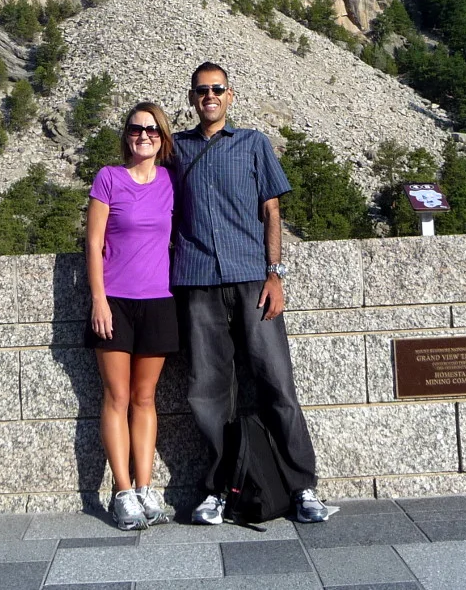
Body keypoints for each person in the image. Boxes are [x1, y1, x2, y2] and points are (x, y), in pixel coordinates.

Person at [169, 62, 337, 524]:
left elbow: (272, 209)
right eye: (202, 90)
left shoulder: (253, 143)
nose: (210, 96)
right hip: (198, 281)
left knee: (277, 383)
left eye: (217, 89)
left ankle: (302, 486)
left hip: (251, 280)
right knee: (207, 392)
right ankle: (219, 490)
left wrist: (275, 273)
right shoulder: (176, 149)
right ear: (191, 98)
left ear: (231, 96)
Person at [86, 102, 179, 530]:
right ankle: (122, 492)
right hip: (116, 301)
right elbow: (93, 244)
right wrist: (98, 299)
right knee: (116, 398)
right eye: (136, 129)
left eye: (152, 131)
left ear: (162, 138)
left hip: (158, 300)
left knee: (145, 399)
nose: (143, 136)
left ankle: (146, 488)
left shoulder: (169, 181)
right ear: (126, 135)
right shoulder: (108, 178)